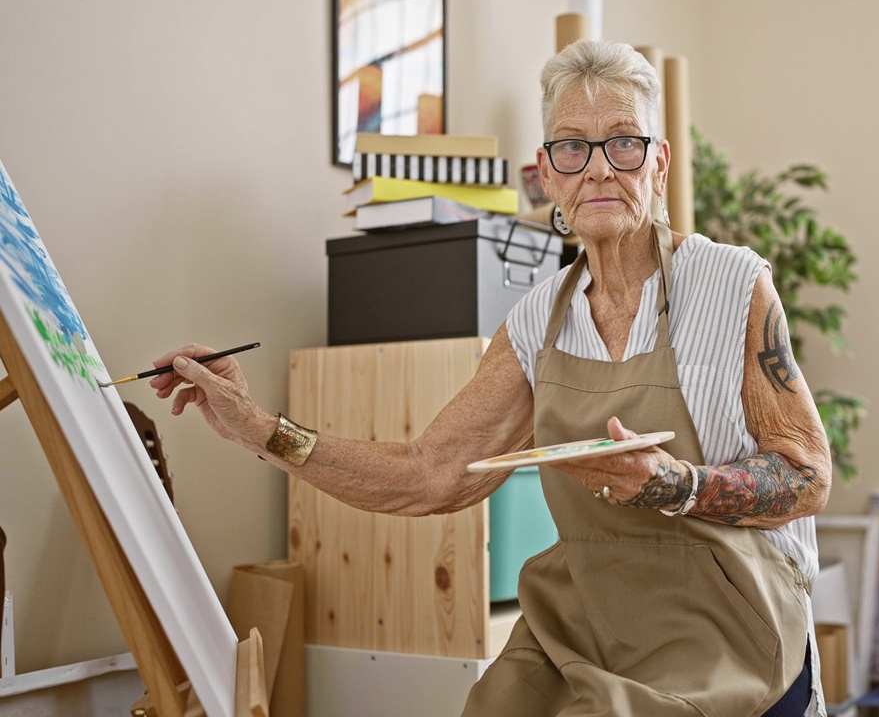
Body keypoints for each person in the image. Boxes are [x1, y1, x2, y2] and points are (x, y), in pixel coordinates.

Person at [153, 39, 832, 717]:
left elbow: (807, 476)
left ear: (658, 162)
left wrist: (679, 485)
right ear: (548, 173)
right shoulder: (537, 318)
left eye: (623, 141)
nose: (598, 169)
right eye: (572, 147)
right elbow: (430, 474)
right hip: (587, 612)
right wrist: (260, 429)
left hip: (726, 616)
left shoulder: (732, 284)